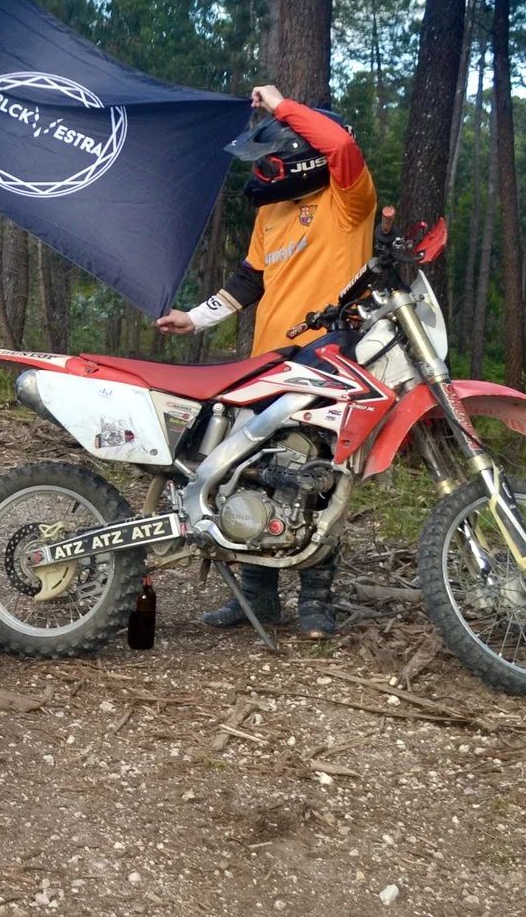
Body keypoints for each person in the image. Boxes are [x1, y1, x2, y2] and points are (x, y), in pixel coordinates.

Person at [155, 82, 376, 639]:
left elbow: (342, 149)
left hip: (329, 359)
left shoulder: (348, 201)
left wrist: (281, 106)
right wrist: (195, 318)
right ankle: (256, 595)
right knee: (246, 472)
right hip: (264, 363)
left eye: (275, 154)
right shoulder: (272, 212)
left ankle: (316, 603)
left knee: (315, 478)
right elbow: (248, 281)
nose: (267, 169)